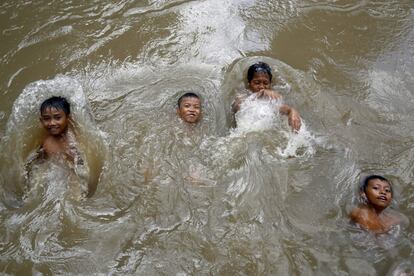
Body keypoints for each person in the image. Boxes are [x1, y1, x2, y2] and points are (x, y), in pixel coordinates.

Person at [232, 62, 301, 132]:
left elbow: (285, 109)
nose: (262, 87)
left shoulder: (271, 100)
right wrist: (260, 93)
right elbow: (236, 107)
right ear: (249, 84)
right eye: (257, 83)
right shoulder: (242, 97)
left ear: (270, 85)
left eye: (265, 83)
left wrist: (292, 111)